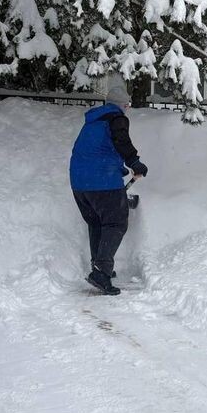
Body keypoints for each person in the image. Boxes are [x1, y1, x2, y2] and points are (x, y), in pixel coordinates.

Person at [69, 77, 148, 295]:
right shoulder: (116, 118)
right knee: (116, 223)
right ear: (122, 105)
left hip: (79, 184)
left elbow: (98, 152)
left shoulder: (93, 121)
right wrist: (134, 162)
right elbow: (122, 141)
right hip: (101, 181)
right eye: (128, 105)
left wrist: (119, 169)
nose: (128, 109)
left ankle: (98, 265)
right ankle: (102, 272)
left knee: (97, 223)